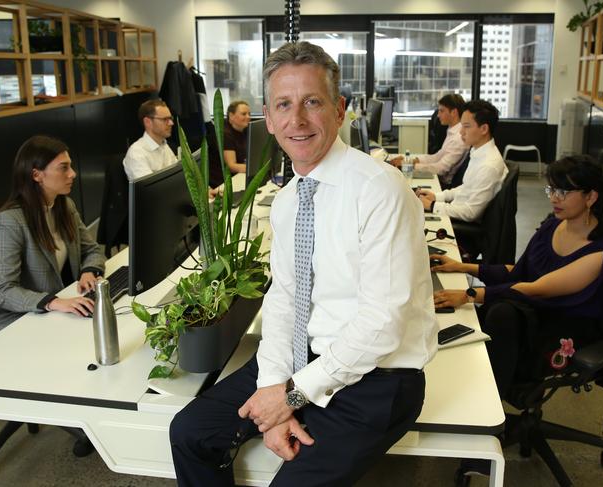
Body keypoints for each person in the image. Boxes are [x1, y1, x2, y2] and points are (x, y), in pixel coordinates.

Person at [169, 41, 437, 486]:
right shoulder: (289, 199)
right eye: (283, 105)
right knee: (190, 433)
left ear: (340, 110)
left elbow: (382, 324)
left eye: (312, 102)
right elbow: (285, 298)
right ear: (268, 118)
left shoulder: (379, 190)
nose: (297, 120)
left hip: (377, 379)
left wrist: (290, 395)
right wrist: (275, 389)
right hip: (301, 361)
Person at [431, 155, 603, 398]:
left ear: (591, 197)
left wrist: (470, 294)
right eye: (552, 189)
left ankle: (490, 401)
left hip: (567, 324)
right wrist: (463, 267)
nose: (554, 197)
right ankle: (479, 390)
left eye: (564, 191)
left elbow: (537, 288)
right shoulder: (553, 226)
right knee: (497, 313)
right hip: (535, 309)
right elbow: (520, 271)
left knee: (502, 314)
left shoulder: (599, 252)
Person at [0, 135, 106, 342]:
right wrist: (52, 302)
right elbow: (1, 290)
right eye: (63, 168)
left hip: (55, 314)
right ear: (36, 175)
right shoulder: (10, 221)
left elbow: (92, 250)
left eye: (70, 166)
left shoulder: (65, 206)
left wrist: (89, 271)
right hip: (18, 321)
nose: (73, 174)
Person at [417, 100, 507, 223]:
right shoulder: (478, 152)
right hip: (454, 209)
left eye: (466, 126)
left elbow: (471, 213)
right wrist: (437, 196)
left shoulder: (488, 165)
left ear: (484, 129)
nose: (461, 132)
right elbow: (466, 188)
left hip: (459, 221)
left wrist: (432, 205)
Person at [391, 93, 468, 186]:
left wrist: (408, 165)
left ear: (454, 112)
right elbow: (437, 156)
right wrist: (412, 161)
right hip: (438, 179)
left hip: (444, 184)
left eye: (442, 111)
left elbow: (441, 168)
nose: (438, 115)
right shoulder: (452, 131)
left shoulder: (458, 138)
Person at [123, 98, 178, 181]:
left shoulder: (163, 144)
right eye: (165, 119)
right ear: (148, 122)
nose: (171, 123)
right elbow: (152, 190)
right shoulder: (136, 154)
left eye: (170, 118)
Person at [223, 100, 251, 174]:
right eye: (243, 114)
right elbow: (231, 166)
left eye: (249, 114)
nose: (248, 117)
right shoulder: (226, 135)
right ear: (231, 116)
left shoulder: (244, 130)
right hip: (224, 181)